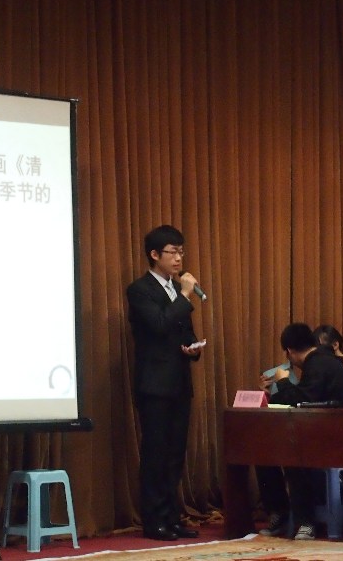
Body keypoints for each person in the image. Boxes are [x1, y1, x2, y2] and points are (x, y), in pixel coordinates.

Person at [125, 225, 205, 541]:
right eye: (173, 252)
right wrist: (184, 295)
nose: (179, 258)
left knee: (175, 455)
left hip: (179, 383)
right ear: (155, 254)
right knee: (156, 454)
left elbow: (183, 330)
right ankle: (154, 521)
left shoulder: (175, 289)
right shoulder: (140, 290)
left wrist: (193, 347)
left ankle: (172, 517)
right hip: (155, 385)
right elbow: (159, 325)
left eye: (181, 251)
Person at [258, 322, 343, 541]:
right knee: (266, 452)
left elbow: (302, 400)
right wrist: (270, 395)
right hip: (329, 434)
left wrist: (283, 381)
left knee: (287, 453)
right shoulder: (322, 360)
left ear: (289, 352)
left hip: (333, 439)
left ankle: (302, 520)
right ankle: (283, 514)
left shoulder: (318, 365)